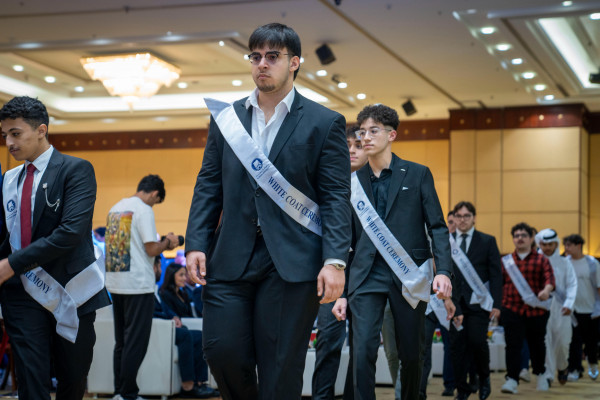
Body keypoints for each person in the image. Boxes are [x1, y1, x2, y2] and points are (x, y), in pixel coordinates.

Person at [185, 22, 352, 400]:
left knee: (280, 366)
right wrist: (195, 242)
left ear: (294, 63)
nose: (262, 64)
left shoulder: (324, 123)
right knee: (221, 351)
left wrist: (335, 261)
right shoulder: (226, 120)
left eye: (272, 57)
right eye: (255, 56)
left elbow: (336, 198)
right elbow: (209, 184)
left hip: (292, 261)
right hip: (230, 256)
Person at [332, 104, 453, 400]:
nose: (366, 137)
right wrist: (342, 292)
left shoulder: (417, 174)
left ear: (392, 135)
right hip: (365, 276)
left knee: (411, 355)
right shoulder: (351, 183)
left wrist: (444, 272)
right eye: (362, 132)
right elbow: (344, 239)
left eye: (374, 131)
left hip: (408, 276)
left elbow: (437, 227)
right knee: (362, 353)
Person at [0, 96, 110, 400]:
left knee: (72, 378)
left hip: (71, 289)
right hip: (21, 294)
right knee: (30, 378)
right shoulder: (8, 180)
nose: (9, 142)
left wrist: (10, 264)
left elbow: (70, 233)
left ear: (41, 130)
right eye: (4, 135)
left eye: (16, 133)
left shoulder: (76, 170)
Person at [105, 174, 178, 400]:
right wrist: (169, 241)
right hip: (138, 285)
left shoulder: (114, 208)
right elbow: (151, 249)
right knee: (136, 343)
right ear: (155, 194)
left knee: (122, 342)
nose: (154, 204)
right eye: (157, 201)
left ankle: (120, 391)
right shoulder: (144, 210)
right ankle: (128, 394)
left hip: (115, 283)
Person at [312, 124, 366, 400]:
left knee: (362, 348)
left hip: (365, 279)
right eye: (347, 146)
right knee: (328, 343)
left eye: (358, 146)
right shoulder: (325, 184)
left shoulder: (375, 188)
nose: (353, 151)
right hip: (331, 277)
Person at [448, 201, 502, 400]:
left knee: (478, 342)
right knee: (457, 348)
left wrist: (497, 304)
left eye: (466, 216)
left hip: (479, 303)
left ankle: (484, 379)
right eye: (458, 216)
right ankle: (462, 389)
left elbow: (496, 276)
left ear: (474, 218)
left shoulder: (487, 241)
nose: (462, 220)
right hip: (454, 304)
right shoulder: (447, 241)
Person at [500, 222, 555, 394]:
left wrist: (546, 290)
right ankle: (512, 380)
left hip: (536, 311)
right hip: (511, 309)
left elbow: (550, 279)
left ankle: (541, 374)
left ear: (532, 239)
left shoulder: (541, 260)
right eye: (516, 236)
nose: (520, 238)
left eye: (524, 235)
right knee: (512, 346)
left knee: (537, 345)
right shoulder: (506, 261)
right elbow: (499, 284)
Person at [154, 259, 219, 398]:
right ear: (172, 276)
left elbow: (171, 312)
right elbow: (165, 311)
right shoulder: (163, 293)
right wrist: (174, 318)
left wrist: (174, 317)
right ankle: (188, 385)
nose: (185, 278)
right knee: (186, 335)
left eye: (185, 275)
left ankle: (200, 382)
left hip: (176, 324)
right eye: (181, 275)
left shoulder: (184, 293)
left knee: (199, 335)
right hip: (166, 328)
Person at [533, 229, 577, 385]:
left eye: (550, 244)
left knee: (563, 343)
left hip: (562, 308)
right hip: (542, 308)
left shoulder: (565, 263)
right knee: (545, 341)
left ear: (556, 244)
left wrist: (569, 303)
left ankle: (563, 366)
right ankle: (548, 374)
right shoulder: (536, 262)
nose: (547, 247)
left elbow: (572, 285)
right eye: (543, 244)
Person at [563, 234, 600, 381]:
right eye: (565, 245)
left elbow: (598, 287)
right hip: (571, 310)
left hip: (591, 310)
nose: (566, 248)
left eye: (569, 245)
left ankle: (592, 364)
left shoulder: (592, 263)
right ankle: (574, 369)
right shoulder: (565, 263)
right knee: (573, 341)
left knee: (591, 342)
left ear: (579, 246)